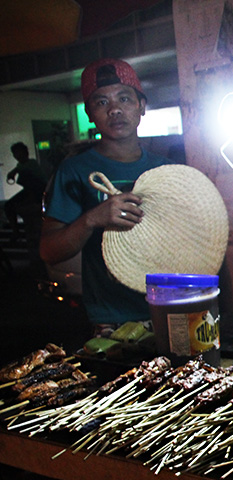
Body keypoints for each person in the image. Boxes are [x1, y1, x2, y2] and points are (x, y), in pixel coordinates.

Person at [41, 58, 170, 330]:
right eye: (101, 102)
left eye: (124, 98)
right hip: (111, 317)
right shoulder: (74, 170)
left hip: (169, 307)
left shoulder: (165, 169)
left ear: (141, 106)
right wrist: (92, 219)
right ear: (89, 113)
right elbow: (49, 251)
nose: (114, 110)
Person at [5, 142, 48, 249]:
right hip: (29, 193)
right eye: (15, 153)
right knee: (9, 206)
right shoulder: (20, 166)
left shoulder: (31, 164)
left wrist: (15, 172)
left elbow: (27, 173)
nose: (17, 156)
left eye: (18, 152)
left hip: (37, 194)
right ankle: (16, 231)